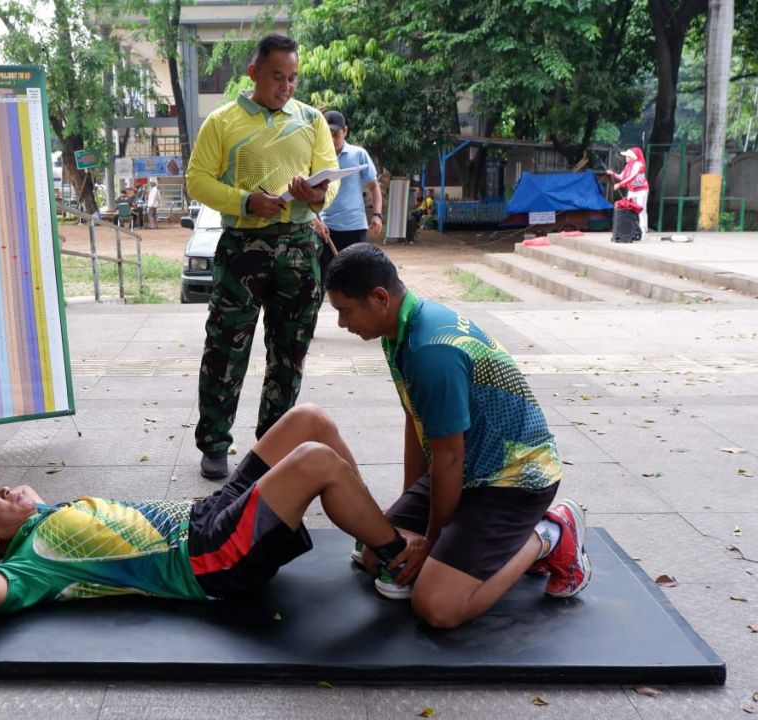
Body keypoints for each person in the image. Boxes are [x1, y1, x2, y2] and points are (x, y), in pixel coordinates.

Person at [325, 243, 590, 628]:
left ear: (379, 298)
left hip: (513, 479)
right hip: (467, 468)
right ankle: (463, 545)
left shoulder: (432, 349)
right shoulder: (397, 330)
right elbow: (416, 420)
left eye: (345, 311)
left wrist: (429, 544)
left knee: (437, 607)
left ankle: (551, 532)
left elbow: (449, 458)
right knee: (375, 550)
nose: (342, 324)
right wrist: (408, 508)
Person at [0, 404, 412, 615]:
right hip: (208, 558)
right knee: (314, 462)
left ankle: (367, 540)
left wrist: (5, 506)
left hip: (206, 515)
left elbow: (24, 491)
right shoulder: (28, 567)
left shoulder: (36, 517)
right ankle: (397, 557)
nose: (3, 490)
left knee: (309, 420)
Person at [185, 33, 339, 480]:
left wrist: (316, 194)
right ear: (254, 73)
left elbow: (332, 182)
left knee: (290, 351)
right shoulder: (222, 121)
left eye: (292, 78)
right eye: (277, 77)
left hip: (299, 246)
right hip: (242, 251)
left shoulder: (311, 121)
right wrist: (244, 201)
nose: (285, 86)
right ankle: (214, 444)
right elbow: (197, 181)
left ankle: (273, 444)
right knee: (225, 348)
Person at [313, 110, 382, 288]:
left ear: (345, 131)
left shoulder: (358, 154)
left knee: (356, 281)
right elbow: (307, 195)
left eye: (336, 134)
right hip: (325, 229)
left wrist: (377, 215)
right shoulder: (317, 157)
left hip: (354, 227)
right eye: (327, 135)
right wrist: (316, 221)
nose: (332, 140)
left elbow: (374, 186)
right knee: (320, 281)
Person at [607, 147, 648, 239]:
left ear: (633, 157)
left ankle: (643, 231)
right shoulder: (627, 166)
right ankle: (632, 230)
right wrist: (613, 174)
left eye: (627, 156)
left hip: (641, 190)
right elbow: (622, 176)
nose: (625, 157)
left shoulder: (638, 165)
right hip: (632, 190)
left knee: (642, 211)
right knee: (630, 210)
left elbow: (632, 177)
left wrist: (620, 184)